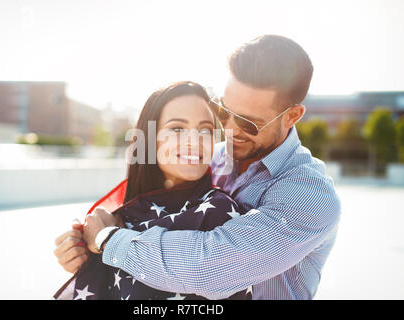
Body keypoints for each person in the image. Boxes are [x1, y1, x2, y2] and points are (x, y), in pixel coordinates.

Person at [54, 34, 341, 299]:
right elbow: (155, 200)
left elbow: (207, 267)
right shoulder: (210, 158)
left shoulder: (310, 196)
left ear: (292, 115)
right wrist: (84, 247)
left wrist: (108, 241)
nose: (228, 129)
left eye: (248, 123)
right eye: (222, 111)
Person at [54, 81, 252, 300]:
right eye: (177, 128)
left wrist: (104, 239)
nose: (194, 141)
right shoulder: (123, 215)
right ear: (150, 139)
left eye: (205, 130)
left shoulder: (219, 210)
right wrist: (82, 258)